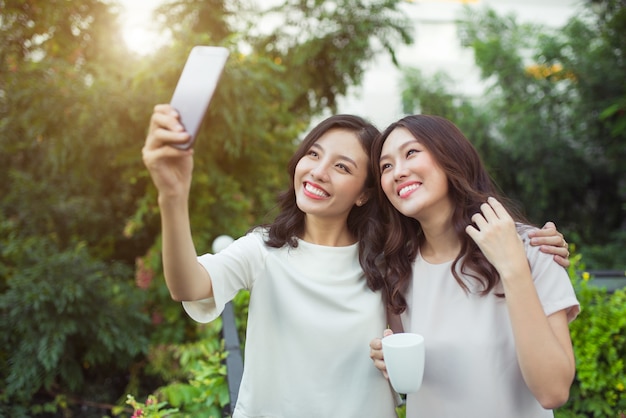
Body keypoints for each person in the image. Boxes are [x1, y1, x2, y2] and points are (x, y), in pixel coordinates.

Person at [142, 105, 570, 417]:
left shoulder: (389, 263)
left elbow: (546, 386)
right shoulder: (271, 250)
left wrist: (526, 254)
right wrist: (173, 197)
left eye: (343, 166)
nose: (318, 171)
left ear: (365, 193)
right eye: (312, 154)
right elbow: (188, 285)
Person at [368, 114, 579, 417]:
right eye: (386, 166)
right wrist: (389, 360)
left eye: (411, 152)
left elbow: (553, 391)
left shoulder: (533, 247)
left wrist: (513, 268)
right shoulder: (397, 270)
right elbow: (414, 382)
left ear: (450, 155)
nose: (397, 172)